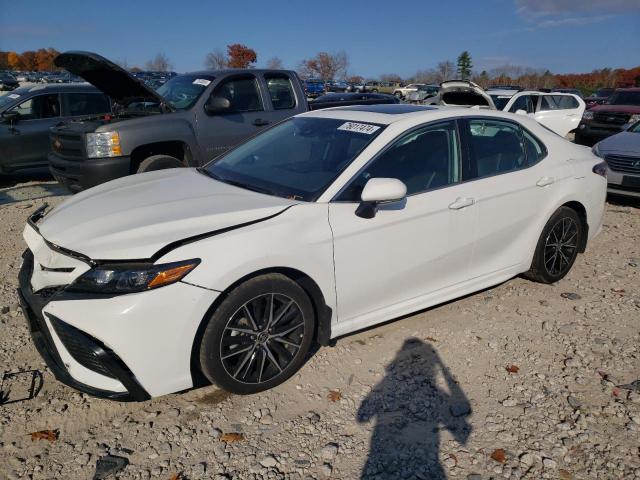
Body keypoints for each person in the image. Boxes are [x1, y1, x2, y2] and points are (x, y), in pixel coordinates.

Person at [357, 338, 472, 479]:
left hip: (379, 454)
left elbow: (362, 417)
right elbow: (463, 431)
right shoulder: (438, 393)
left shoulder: (388, 384)